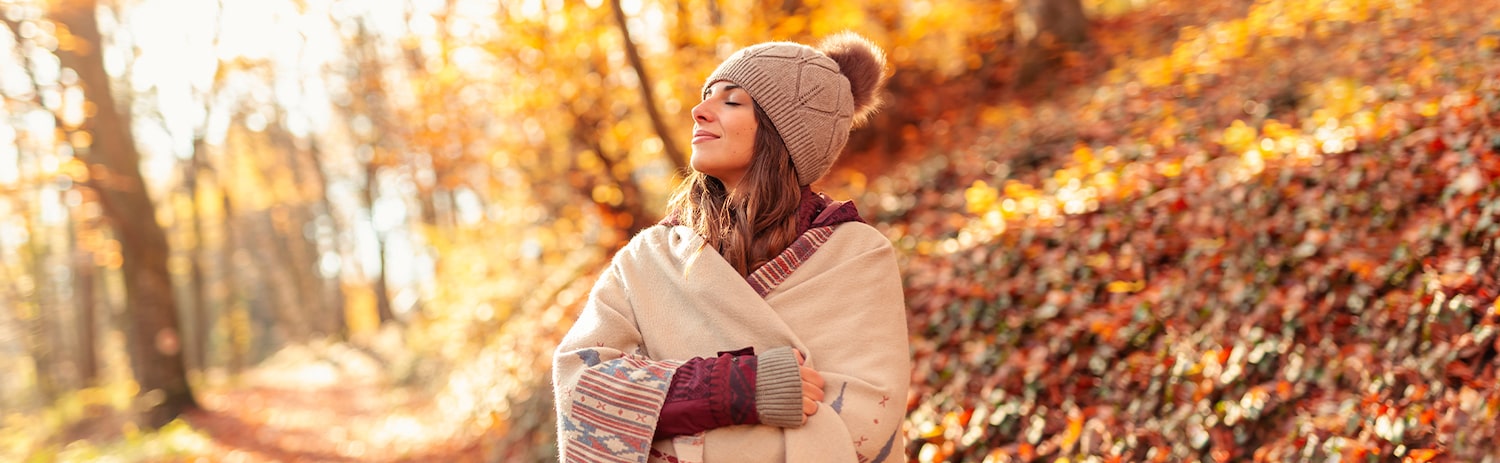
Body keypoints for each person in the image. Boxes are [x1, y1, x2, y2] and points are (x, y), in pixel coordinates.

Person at [553, 31, 910, 463]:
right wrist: (726, 389)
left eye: (732, 101)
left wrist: (663, 432)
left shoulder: (856, 256)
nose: (698, 111)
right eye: (706, 97)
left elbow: (865, 422)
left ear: (786, 134)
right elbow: (580, 388)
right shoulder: (645, 260)